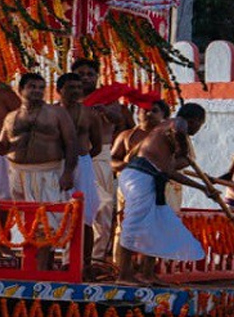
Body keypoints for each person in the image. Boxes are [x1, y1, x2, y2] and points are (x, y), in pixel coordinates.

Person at [117, 103, 212, 284]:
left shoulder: (167, 136)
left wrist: (202, 187)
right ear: (195, 121)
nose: (197, 130)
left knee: (155, 224)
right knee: (133, 224)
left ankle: (147, 273)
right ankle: (123, 275)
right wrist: (181, 145)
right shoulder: (177, 123)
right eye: (200, 125)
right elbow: (179, 129)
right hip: (139, 177)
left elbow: (170, 172)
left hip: (151, 179)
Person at [0, 72, 77, 269]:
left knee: (46, 224)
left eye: (41, 87)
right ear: (20, 90)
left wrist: (68, 172)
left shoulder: (57, 113)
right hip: (17, 173)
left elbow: (71, 143)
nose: (38, 91)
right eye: (32, 87)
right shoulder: (10, 117)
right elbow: (2, 147)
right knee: (26, 223)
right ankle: (32, 268)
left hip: (48, 172)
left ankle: (39, 270)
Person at [72, 57, 134, 262]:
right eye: (81, 74)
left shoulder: (108, 100)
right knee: (72, 207)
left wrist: (105, 111)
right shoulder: (68, 102)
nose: (86, 78)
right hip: (74, 156)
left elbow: (119, 120)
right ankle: (70, 259)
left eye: (90, 74)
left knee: (104, 206)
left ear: (97, 77)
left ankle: (96, 258)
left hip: (101, 156)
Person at [111, 99, 170, 258]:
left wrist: (160, 168)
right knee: (126, 226)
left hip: (159, 187)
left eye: (154, 111)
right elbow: (113, 160)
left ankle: (149, 269)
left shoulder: (169, 136)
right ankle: (121, 267)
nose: (148, 114)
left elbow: (185, 160)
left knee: (155, 227)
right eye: (144, 110)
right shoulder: (126, 136)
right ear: (137, 113)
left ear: (164, 115)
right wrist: (128, 167)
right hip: (130, 188)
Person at [56, 72, 101, 273]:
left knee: (86, 214)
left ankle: (85, 264)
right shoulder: (50, 112)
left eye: (78, 88)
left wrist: (80, 160)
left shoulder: (90, 114)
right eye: (70, 87)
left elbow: (97, 146)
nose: (75, 91)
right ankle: (50, 263)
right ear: (59, 90)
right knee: (52, 213)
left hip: (83, 165)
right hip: (55, 164)